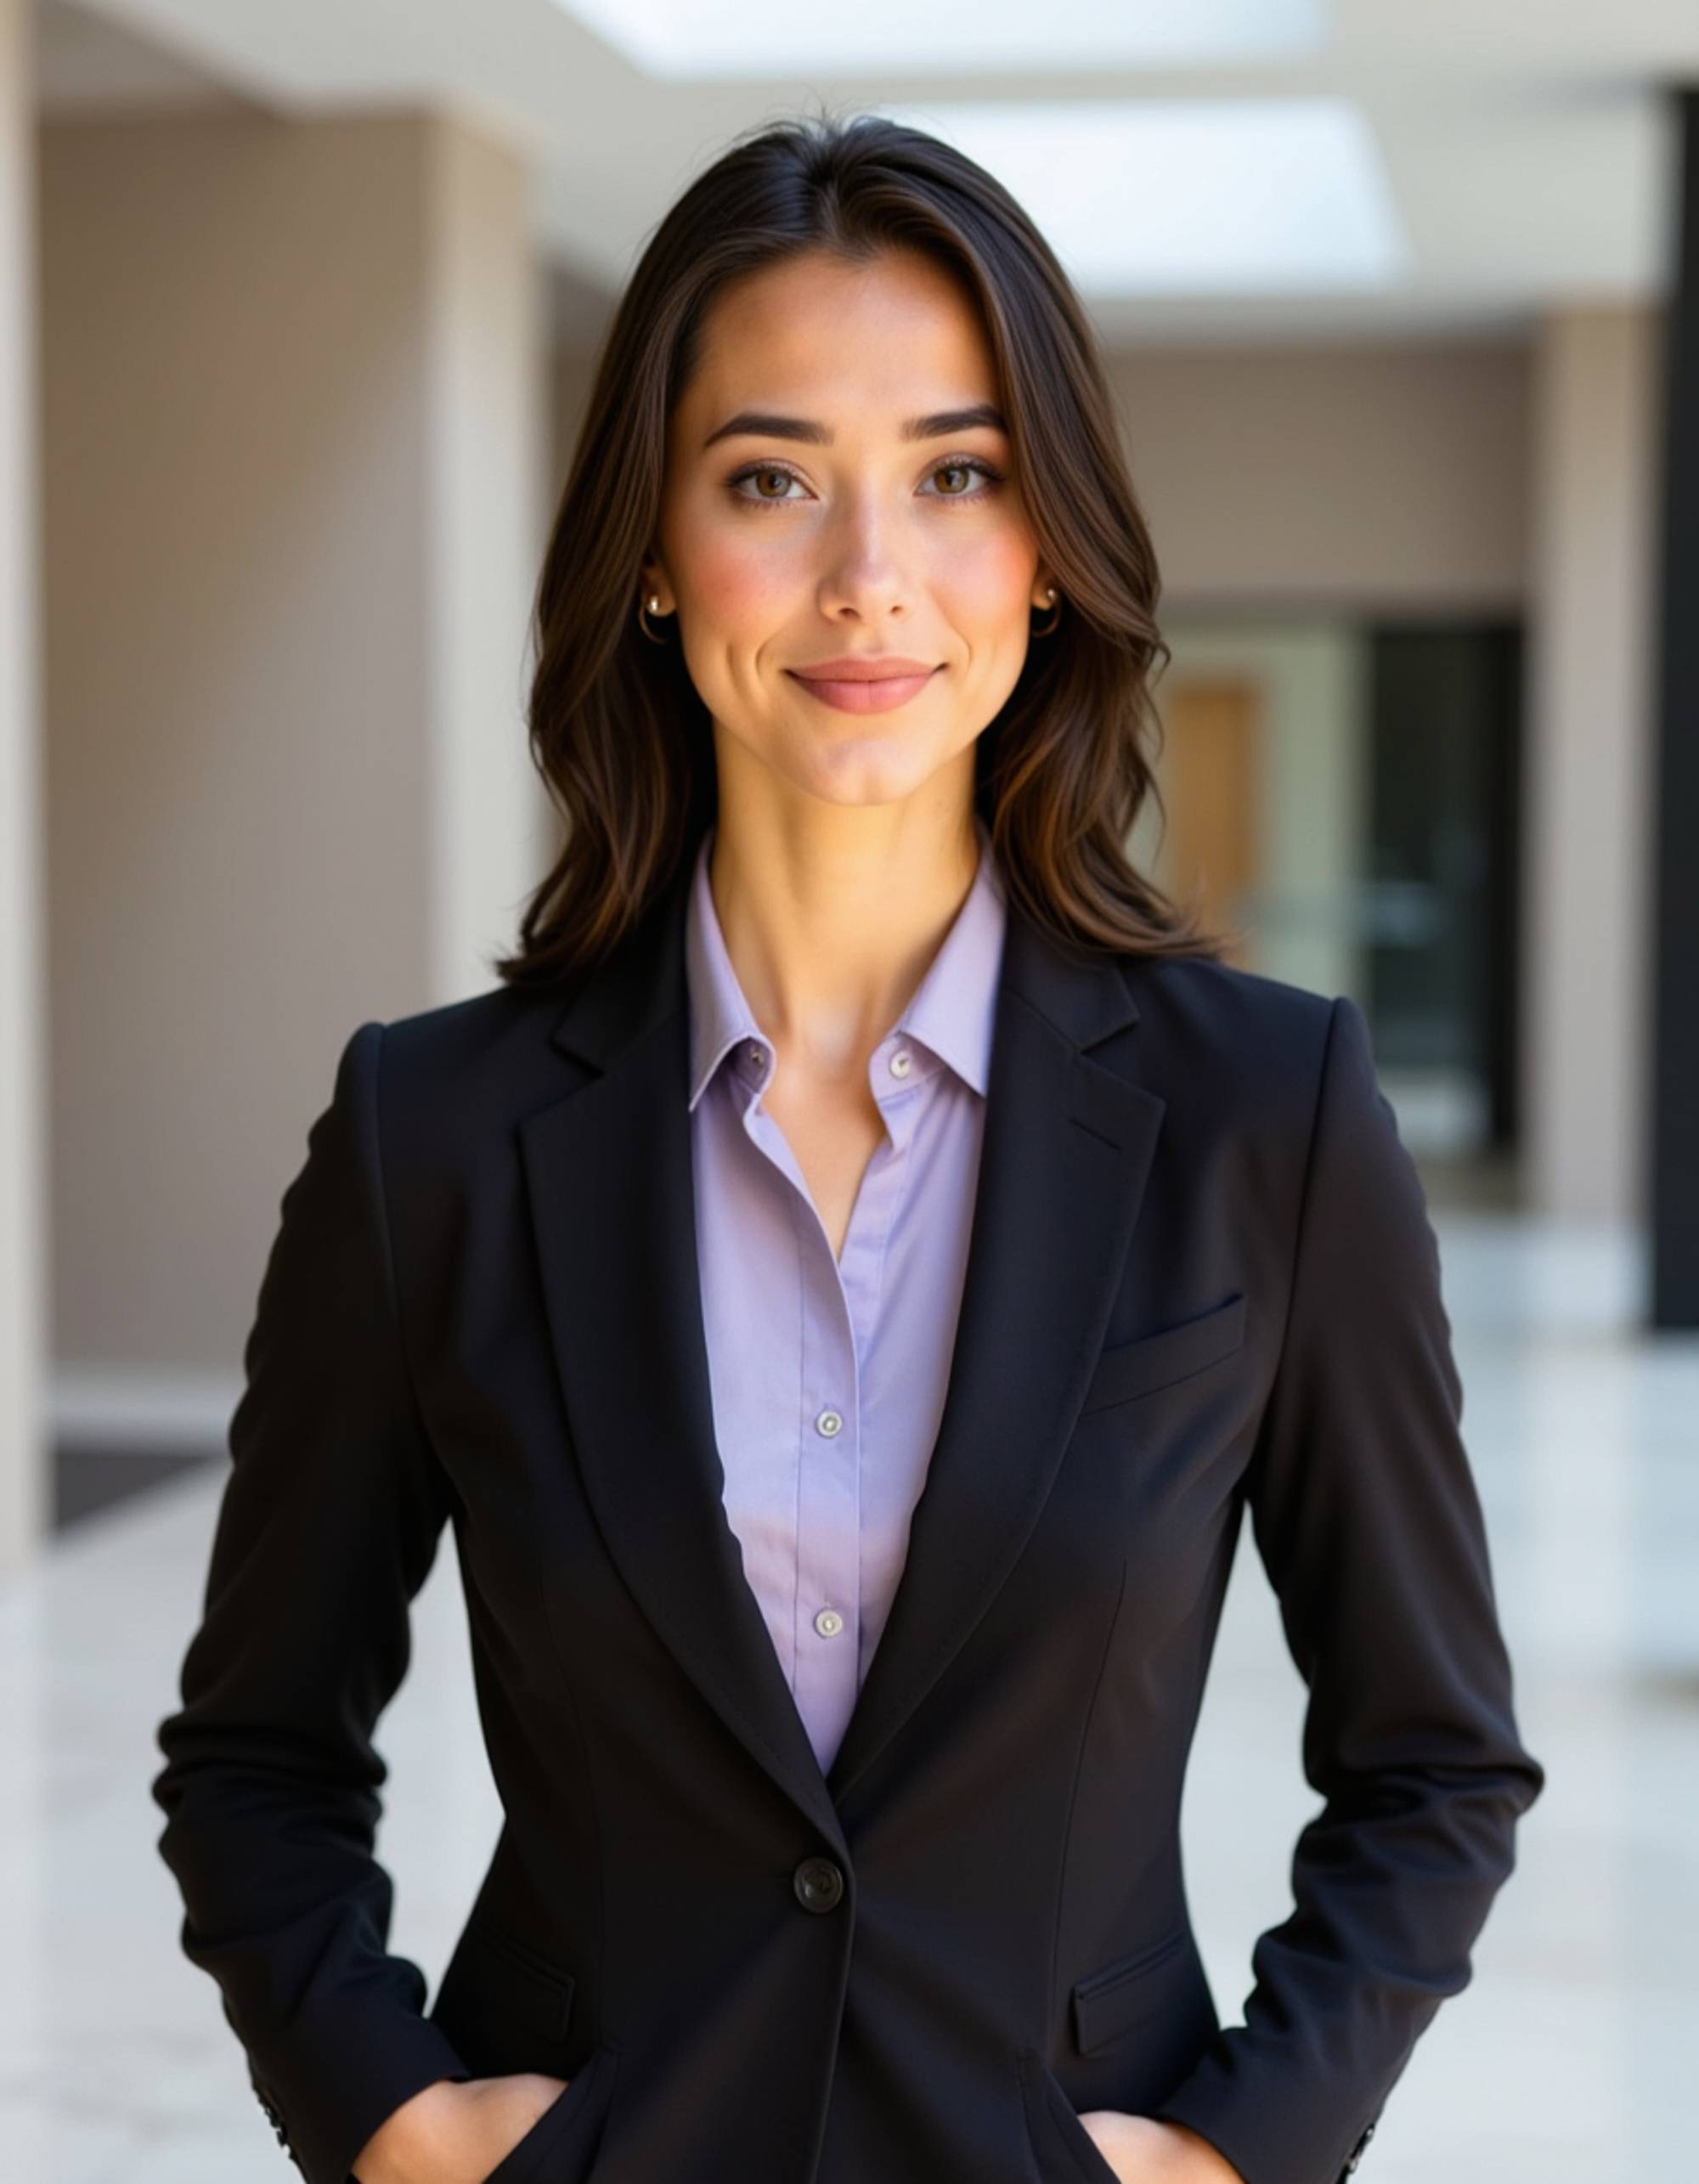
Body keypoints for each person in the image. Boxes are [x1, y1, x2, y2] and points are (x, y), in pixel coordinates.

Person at [151, 110, 1544, 2184]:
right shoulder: (426, 1134)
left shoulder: (1272, 1114)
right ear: (649, 546)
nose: (867, 574)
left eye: (957, 474)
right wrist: (400, 2125)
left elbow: (1430, 1762)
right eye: (770, 477)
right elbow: (258, 1755)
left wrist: (1242, 2149)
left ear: (1048, 547)